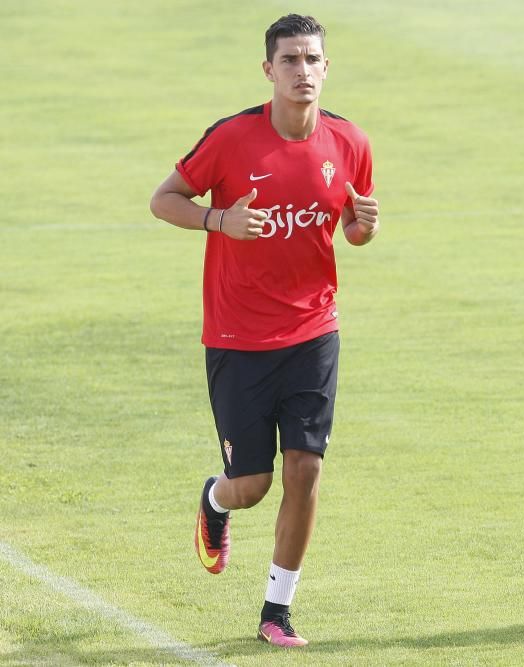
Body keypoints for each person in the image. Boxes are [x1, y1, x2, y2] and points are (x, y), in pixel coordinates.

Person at [149, 14, 379, 647]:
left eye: (313, 60)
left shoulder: (349, 142)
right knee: (253, 484)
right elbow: (164, 198)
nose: (303, 72)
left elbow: (352, 230)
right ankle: (216, 502)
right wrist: (219, 220)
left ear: (326, 68)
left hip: (313, 331)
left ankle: (276, 612)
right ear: (269, 70)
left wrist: (364, 227)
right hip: (237, 338)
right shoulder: (231, 139)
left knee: (305, 468)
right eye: (291, 61)